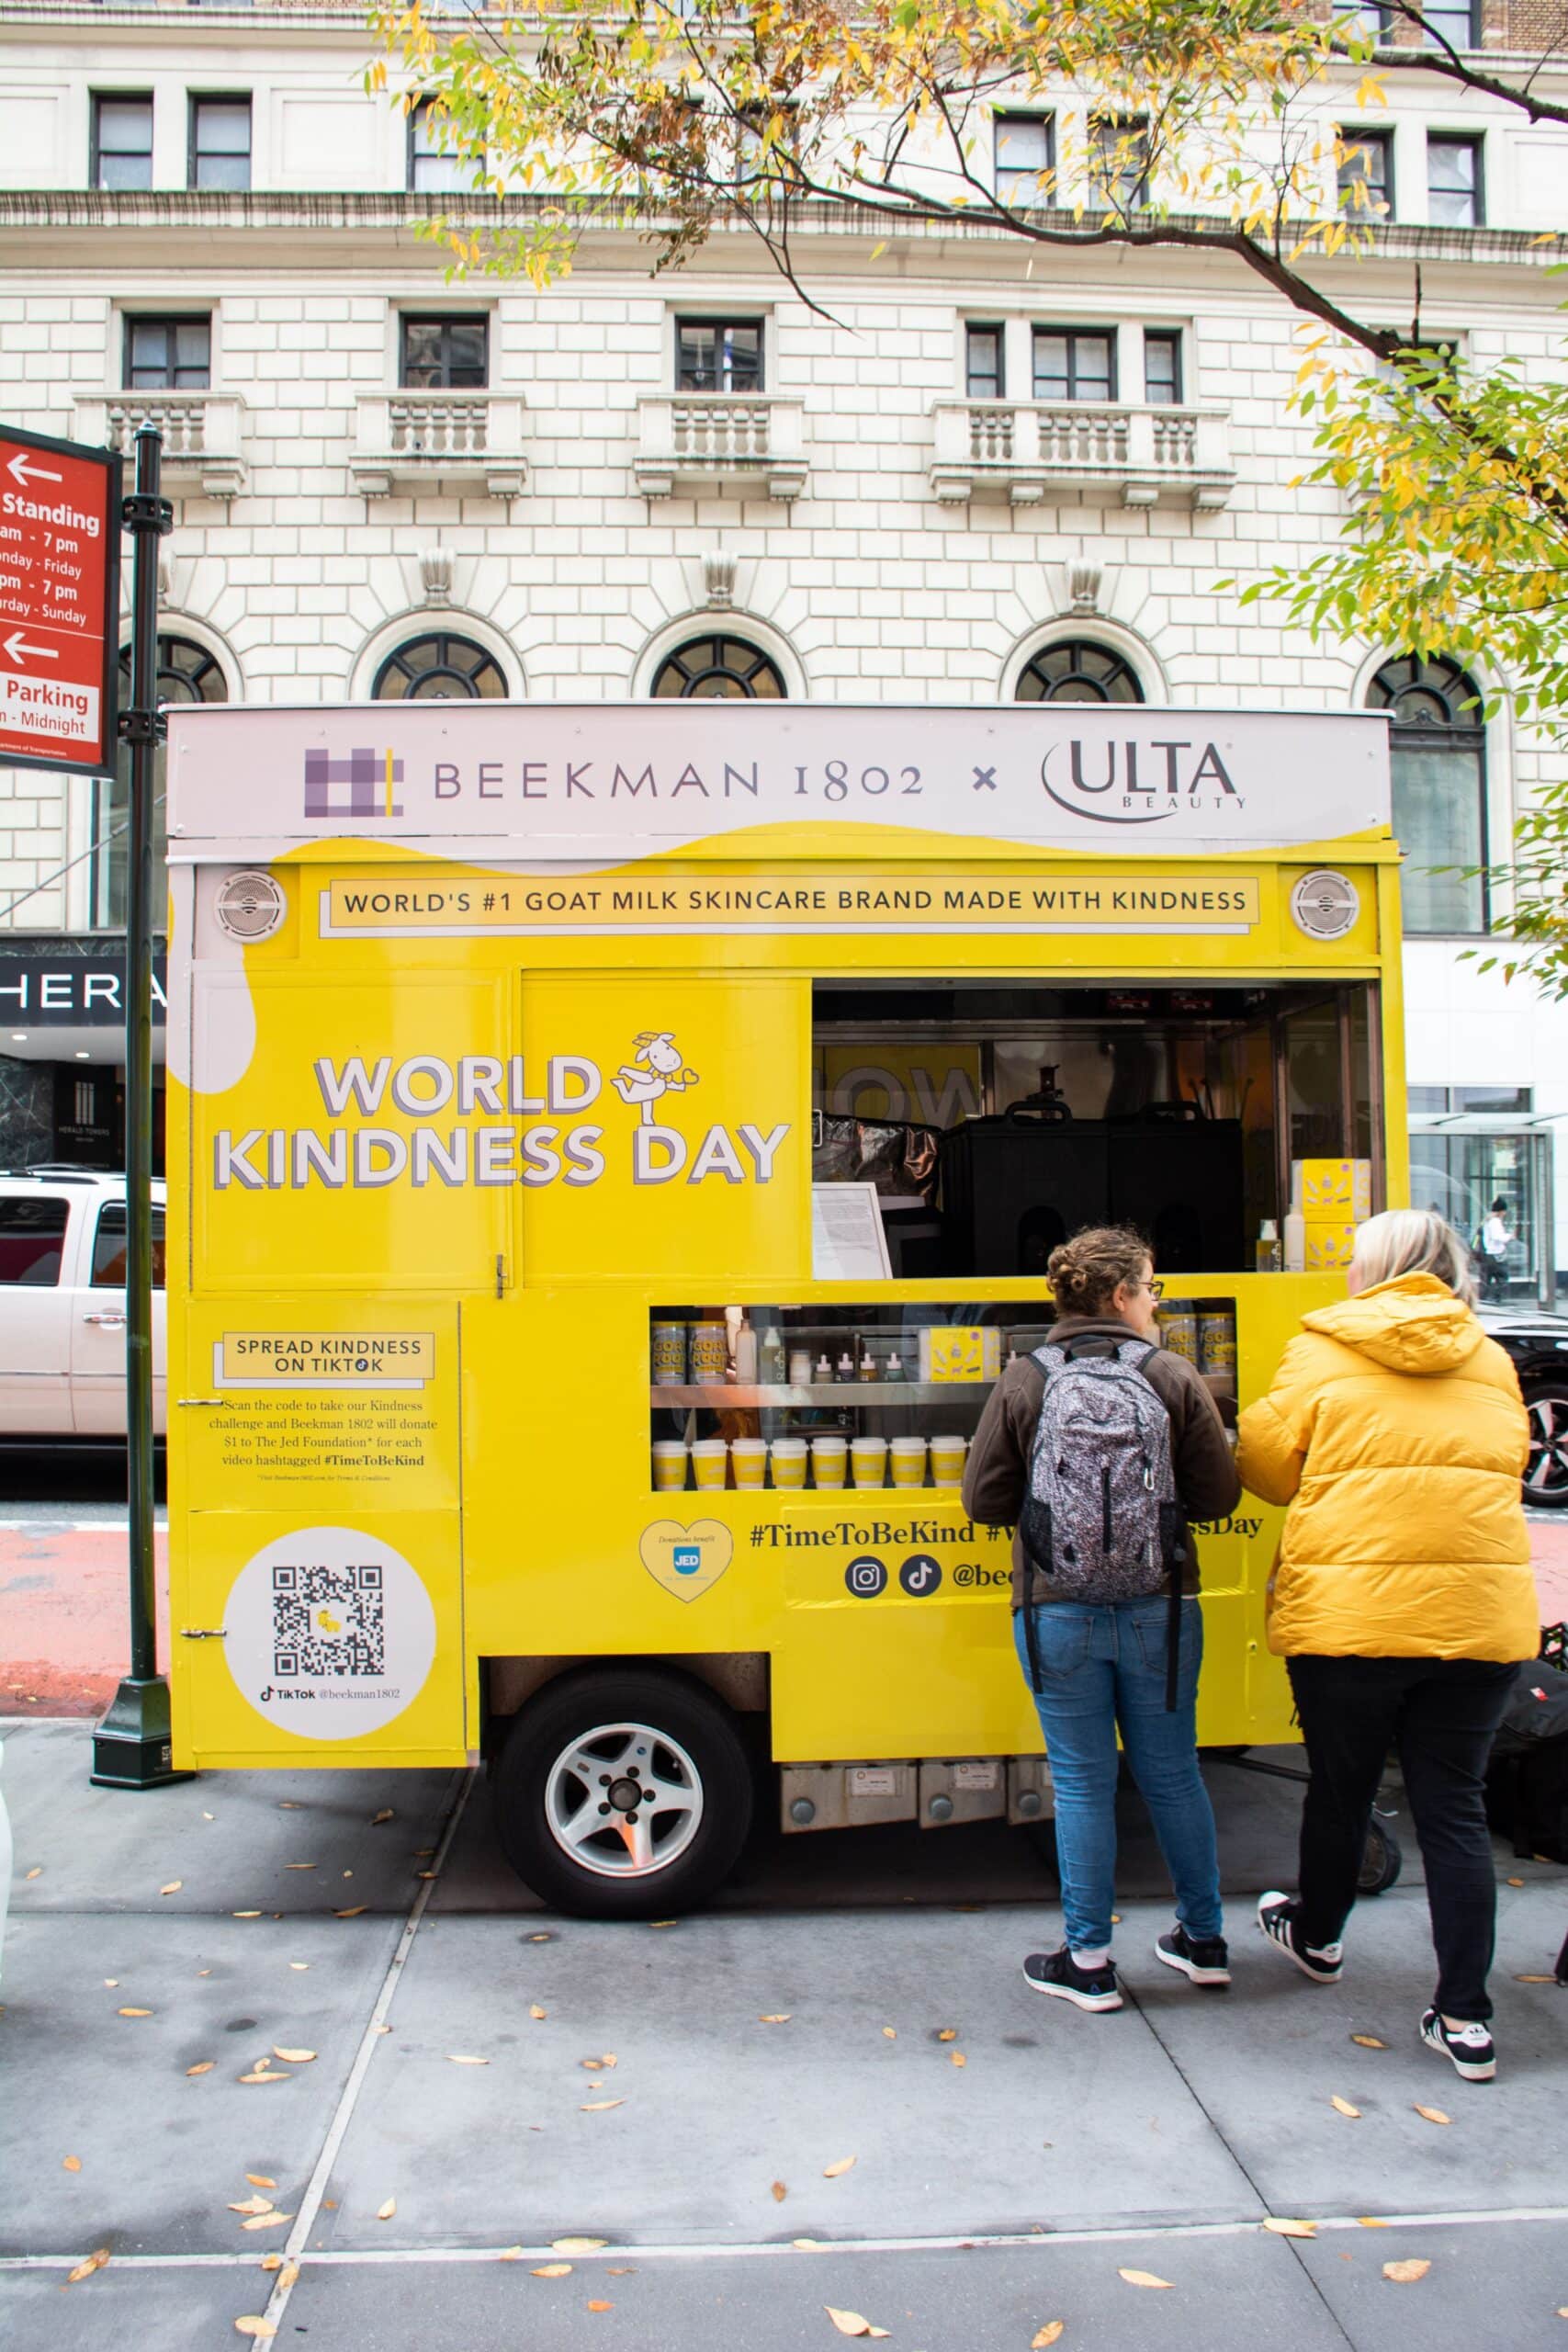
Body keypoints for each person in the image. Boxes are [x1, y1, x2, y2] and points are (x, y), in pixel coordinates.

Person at [1236, 1208, 1539, 2083]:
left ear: (1371, 1268)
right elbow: (1506, 1465)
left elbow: (1267, 1470)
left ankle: (1318, 1937)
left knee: (1339, 1792)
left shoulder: (1321, 1347)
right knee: (1455, 1810)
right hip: (1476, 1621)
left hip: (1350, 1622)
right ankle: (1465, 2018)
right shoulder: (1490, 1359)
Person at [964, 1226, 1241, 2013]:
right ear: (1119, 1296)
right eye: (1151, 1288)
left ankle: (1087, 1960)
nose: (1157, 1301)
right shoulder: (1171, 1373)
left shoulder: (1027, 1377)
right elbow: (1219, 1498)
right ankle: (1203, 1941)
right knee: (1172, 1775)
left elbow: (982, 1501)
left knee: (1083, 1785)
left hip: (1057, 1612)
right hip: (1162, 1609)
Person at [1477, 1197, 1513, 1306]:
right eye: (1504, 1211)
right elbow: (1498, 1237)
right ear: (1501, 1211)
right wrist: (1509, 1236)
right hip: (1496, 1255)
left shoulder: (1487, 1221)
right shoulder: (1495, 1222)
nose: (1505, 1213)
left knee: (1486, 1280)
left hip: (1488, 1255)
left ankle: (1483, 1301)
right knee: (1502, 1279)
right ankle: (1495, 1300)